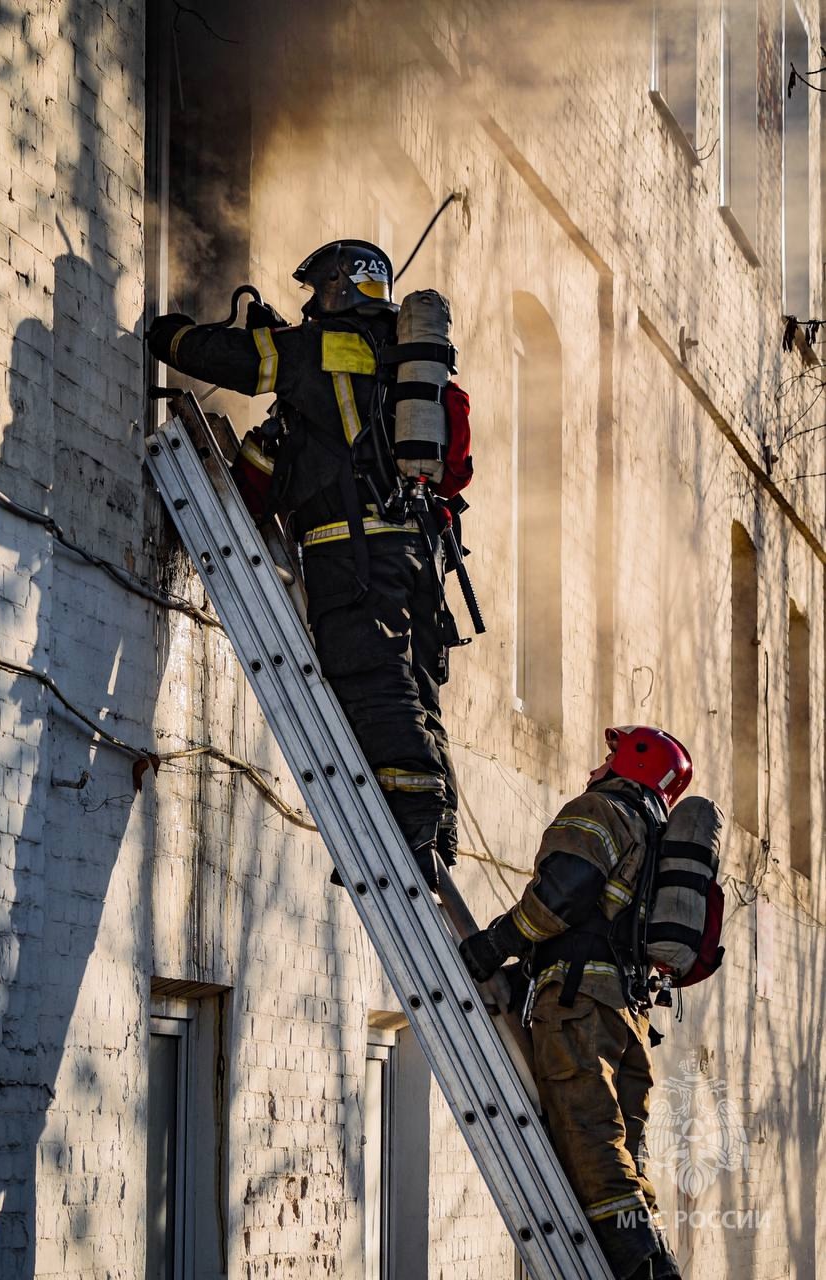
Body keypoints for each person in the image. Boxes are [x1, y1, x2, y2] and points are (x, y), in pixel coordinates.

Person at [147, 241, 469, 889]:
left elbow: (236, 361)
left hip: (349, 544)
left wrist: (166, 332)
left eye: (316, 288)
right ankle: (434, 831)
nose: (306, 302)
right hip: (416, 550)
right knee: (410, 681)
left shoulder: (321, 346)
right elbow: (285, 454)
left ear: (336, 286)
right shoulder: (404, 368)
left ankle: (412, 806)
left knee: (363, 664)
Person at [459, 725, 692, 1280]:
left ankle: (642, 1271)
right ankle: (651, 1255)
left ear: (631, 764)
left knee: (591, 1146)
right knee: (626, 1160)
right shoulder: (657, 835)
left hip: (580, 1009)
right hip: (628, 1017)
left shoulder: (603, 809)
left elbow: (561, 896)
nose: (595, 768)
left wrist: (496, 945)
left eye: (607, 757)